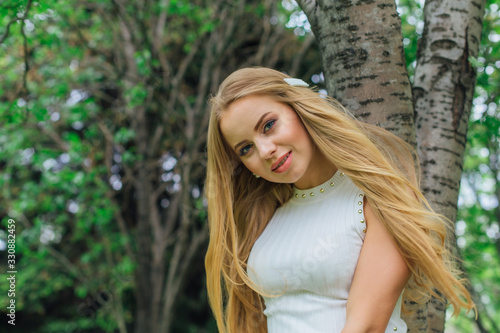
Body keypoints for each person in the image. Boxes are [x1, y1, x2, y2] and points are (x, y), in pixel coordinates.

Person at [204, 67, 474, 333]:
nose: (265, 151)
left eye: (268, 125)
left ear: (299, 108)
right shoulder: (267, 221)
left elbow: (366, 327)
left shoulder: (376, 199)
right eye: (246, 148)